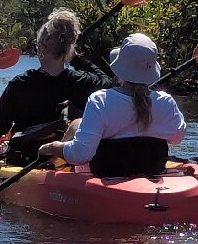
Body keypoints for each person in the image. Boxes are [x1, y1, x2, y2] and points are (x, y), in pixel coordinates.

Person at [38, 33, 186, 177]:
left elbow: (80, 155)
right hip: (152, 169)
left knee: (77, 125)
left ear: (120, 69)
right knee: (78, 124)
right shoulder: (166, 102)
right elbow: (177, 138)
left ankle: (51, 167)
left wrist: (53, 147)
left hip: (108, 172)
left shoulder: (100, 101)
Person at [0, 8, 111, 159]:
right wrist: (76, 59)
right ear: (68, 50)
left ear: (42, 49)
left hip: (26, 159)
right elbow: (106, 81)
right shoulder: (82, 82)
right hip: (65, 161)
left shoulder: (20, 85)